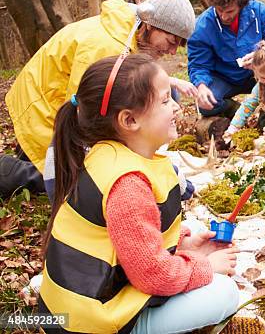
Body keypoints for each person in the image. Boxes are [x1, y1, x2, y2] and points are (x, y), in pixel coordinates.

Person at [39, 55, 240, 333]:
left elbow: (125, 239)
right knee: (224, 293)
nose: (176, 108)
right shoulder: (129, 183)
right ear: (130, 120)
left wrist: (182, 246)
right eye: (165, 100)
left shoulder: (109, 155)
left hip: (71, 303)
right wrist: (204, 266)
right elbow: (153, 276)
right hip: (90, 319)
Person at [1, 0, 197, 199]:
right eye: (171, 40)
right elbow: (85, 111)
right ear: (150, 24)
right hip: (41, 104)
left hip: (56, 99)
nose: (174, 51)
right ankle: (7, 169)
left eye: (180, 44)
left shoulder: (129, 33)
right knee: (75, 178)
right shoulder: (107, 46)